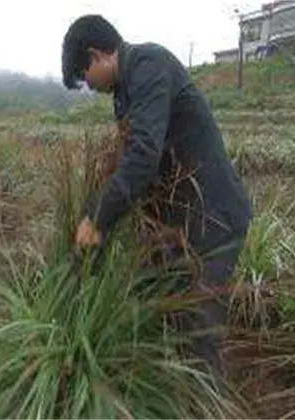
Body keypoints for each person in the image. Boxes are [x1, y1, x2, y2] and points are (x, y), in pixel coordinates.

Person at [61, 15, 253, 391]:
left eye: (85, 77)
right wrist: (92, 218)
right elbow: (131, 165)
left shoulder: (149, 65)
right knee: (156, 301)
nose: (89, 86)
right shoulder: (124, 91)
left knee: (198, 323)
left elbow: (144, 155)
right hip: (178, 220)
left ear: (97, 55)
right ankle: (170, 392)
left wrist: (97, 219)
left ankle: (209, 405)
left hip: (213, 217)